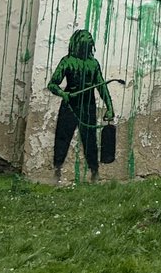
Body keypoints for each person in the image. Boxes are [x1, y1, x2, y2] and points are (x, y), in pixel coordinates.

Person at [47, 28, 114, 182]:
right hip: (70, 106)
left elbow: (102, 87)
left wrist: (110, 107)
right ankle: (57, 170)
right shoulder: (67, 61)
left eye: (89, 47)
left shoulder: (93, 64)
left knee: (90, 140)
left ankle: (94, 172)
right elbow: (52, 84)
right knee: (62, 139)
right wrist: (63, 93)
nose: (87, 50)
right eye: (84, 47)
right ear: (77, 45)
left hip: (88, 107)